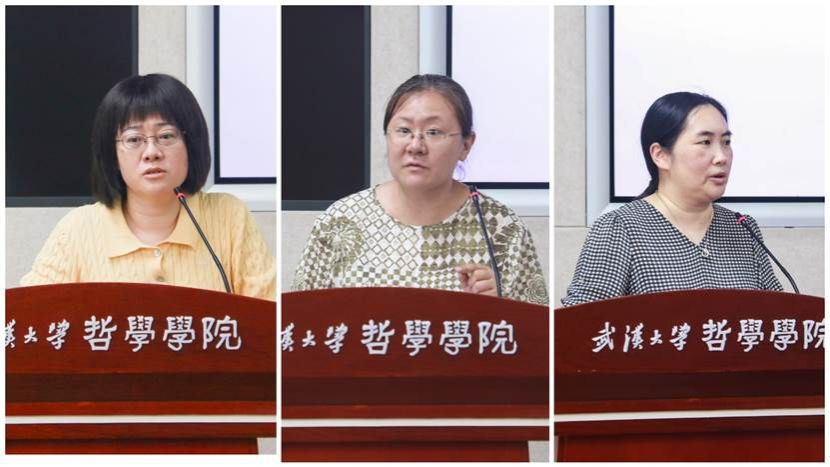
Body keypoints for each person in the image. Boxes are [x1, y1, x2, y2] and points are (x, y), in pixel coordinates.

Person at [292, 74, 548, 305]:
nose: (415, 146)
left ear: (466, 145)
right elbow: (297, 324)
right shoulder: (340, 221)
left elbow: (540, 335)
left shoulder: (501, 228)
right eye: (403, 130)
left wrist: (503, 307)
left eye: (433, 132)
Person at [21, 73, 276, 300]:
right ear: (113, 155)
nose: (152, 152)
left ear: (191, 144)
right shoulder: (78, 230)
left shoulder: (229, 216)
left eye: (166, 136)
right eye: (134, 140)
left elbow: (270, 318)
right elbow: (26, 321)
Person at [562, 92, 782, 306]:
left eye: (726, 142)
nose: (722, 157)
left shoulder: (742, 228)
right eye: (705, 142)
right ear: (661, 155)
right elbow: (581, 322)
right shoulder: (621, 228)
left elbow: (780, 316)